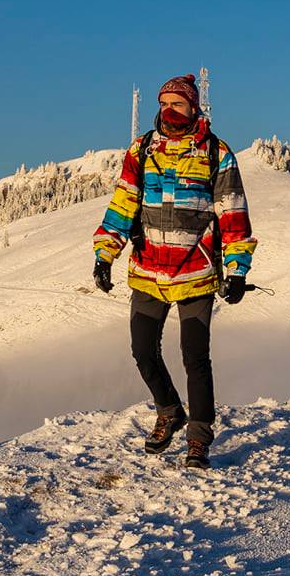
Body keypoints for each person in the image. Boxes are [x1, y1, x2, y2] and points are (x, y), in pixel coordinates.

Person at [91, 74, 257, 468]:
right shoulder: (143, 149)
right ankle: (169, 410)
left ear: (194, 108)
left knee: (194, 357)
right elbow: (123, 203)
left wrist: (236, 269)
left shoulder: (216, 153)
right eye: (164, 103)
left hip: (195, 271)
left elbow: (232, 213)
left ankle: (199, 438)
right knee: (143, 350)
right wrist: (105, 253)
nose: (169, 110)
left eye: (177, 104)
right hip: (148, 270)